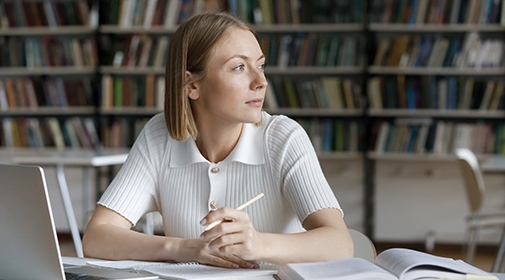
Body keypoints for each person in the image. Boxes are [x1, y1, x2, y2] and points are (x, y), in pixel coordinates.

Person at [82, 12, 353, 269]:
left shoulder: (284, 138)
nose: (261, 81)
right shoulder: (159, 136)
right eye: (238, 67)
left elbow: (340, 244)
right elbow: (97, 237)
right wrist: (185, 249)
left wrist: (258, 244)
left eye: (260, 65)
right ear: (192, 86)